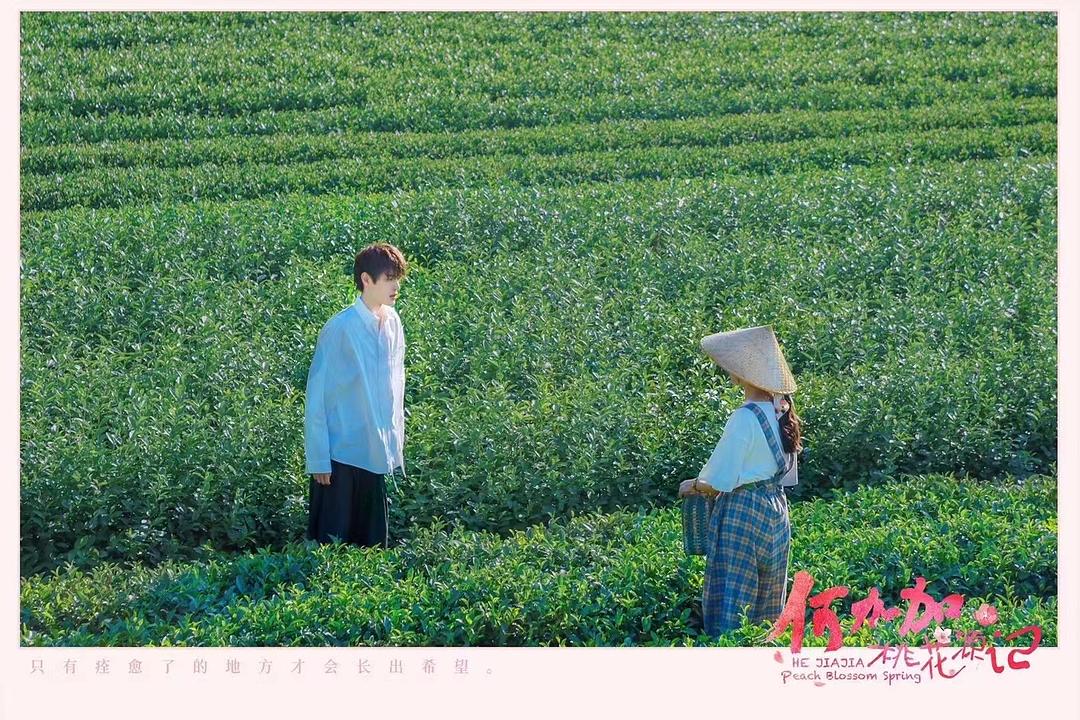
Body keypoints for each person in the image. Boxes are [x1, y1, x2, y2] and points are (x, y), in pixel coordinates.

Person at [678, 325, 802, 637]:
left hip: (742, 512)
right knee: (767, 601)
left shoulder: (745, 417)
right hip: (776, 512)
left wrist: (692, 485)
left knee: (733, 600)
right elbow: (786, 475)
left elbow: (718, 480)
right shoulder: (781, 413)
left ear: (744, 374)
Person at [304, 243, 408, 548]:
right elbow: (317, 395)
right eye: (389, 278)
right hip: (340, 455)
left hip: (375, 451)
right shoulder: (341, 328)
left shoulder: (392, 323)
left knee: (373, 549)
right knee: (331, 549)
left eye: (397, 278)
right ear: (366, 279)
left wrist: (394, 445)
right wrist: (319, 458)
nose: (396, 286)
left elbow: (395, 386)